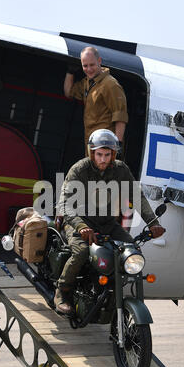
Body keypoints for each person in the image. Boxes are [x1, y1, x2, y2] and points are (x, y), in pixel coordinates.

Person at [54, 129, 165, 315]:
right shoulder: (80, 170)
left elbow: (136, 196)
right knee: (81, 251)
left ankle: (114, 296)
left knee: (131, 249)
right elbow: (65, 205)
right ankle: (62, 291)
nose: (103, 159)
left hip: (106, 223)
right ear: (92, 153)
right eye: (99, 154)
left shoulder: (120, 170)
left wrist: (153, 222)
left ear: (113, 154)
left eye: (107, 155)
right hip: (78, 222)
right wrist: (81, 227)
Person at [64, 46, 128, 151]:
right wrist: (70, 72)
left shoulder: (110, 84)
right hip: (91, 145)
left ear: (99, 61)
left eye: (92, 65)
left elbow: (120, 115)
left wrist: (117, 144)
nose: (89, 69)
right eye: (85, 66)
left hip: (105, 147)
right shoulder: (87, 83)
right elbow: (69, 92)